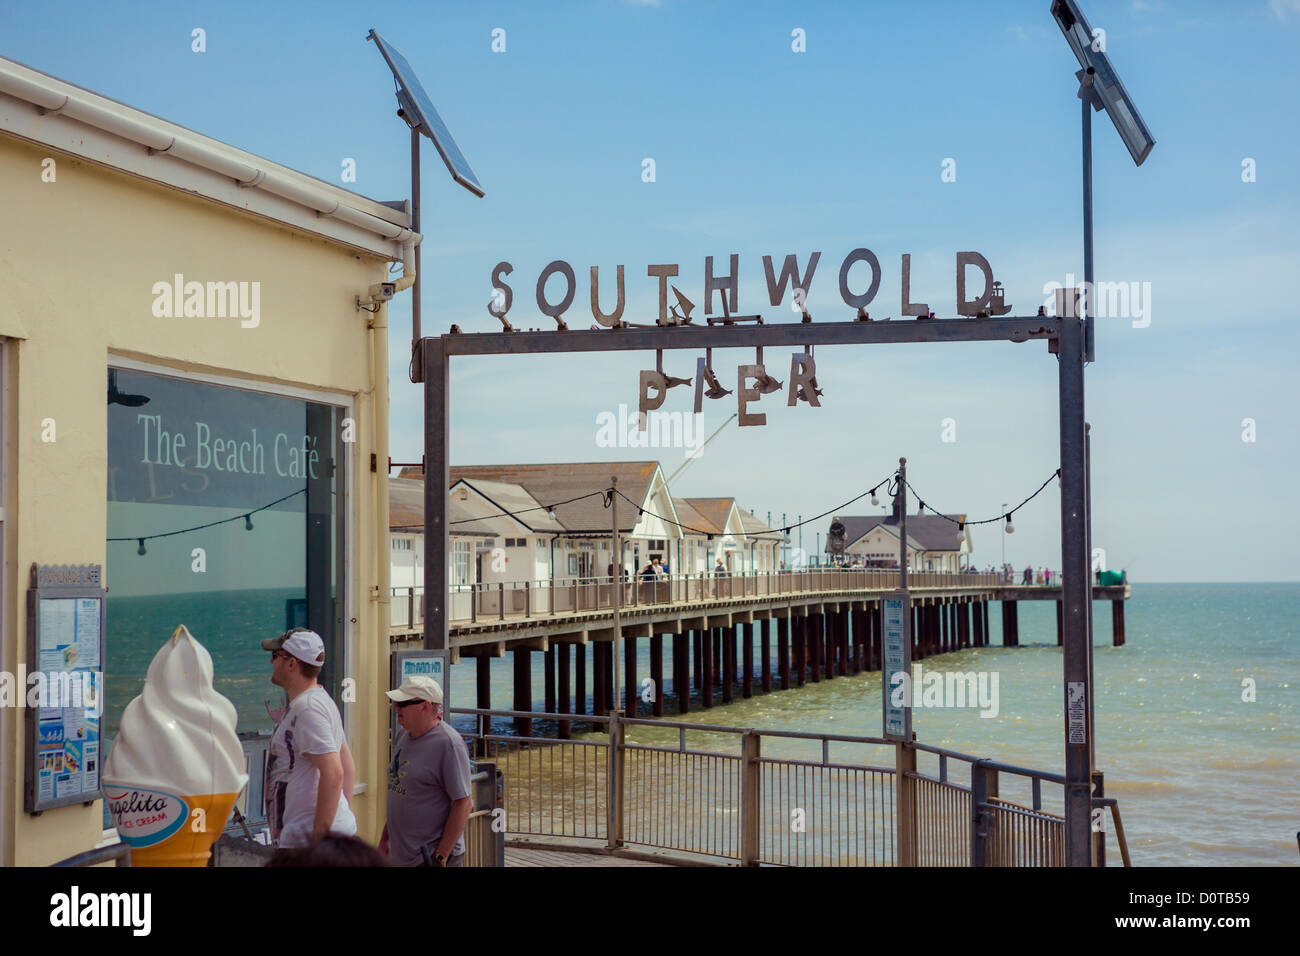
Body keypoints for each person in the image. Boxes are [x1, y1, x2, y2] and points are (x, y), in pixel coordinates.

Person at [263, 628, 356, 848]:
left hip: (308, 844)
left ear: (292, 663)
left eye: (275, 656)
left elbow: (334, 772)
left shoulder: (308, 709)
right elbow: (347, 765)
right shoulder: (319, 701)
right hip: (318, 839)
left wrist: (319, 843)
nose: (271, 661)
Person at [381, 676, 473, 867]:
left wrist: (441, 856)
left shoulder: (449, 744)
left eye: (403, 703)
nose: (396, 708)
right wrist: (385, 838)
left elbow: (463, 803)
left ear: (425, 706)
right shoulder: (402, 736)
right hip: (401, 857)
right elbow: (399, 791)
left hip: (429, 858)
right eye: (396, 703)